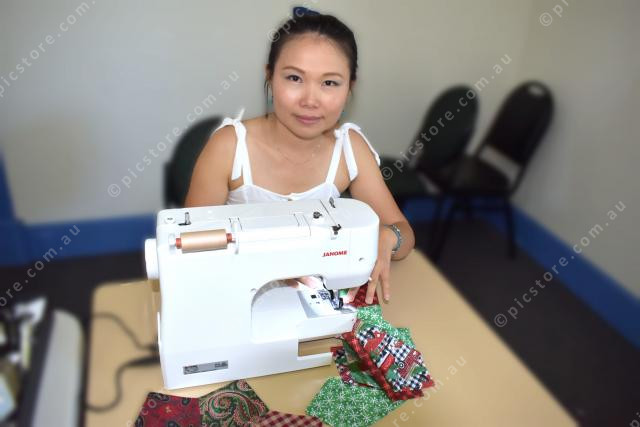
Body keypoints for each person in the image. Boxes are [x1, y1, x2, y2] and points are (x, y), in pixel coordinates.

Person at [185, 11, 414, 304]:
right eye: (294, 78)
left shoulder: (349, 148)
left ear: (350, 88)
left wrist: (388, 238)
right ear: (270, 76)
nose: (310, 100)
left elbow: (404, 233)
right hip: (235, 296)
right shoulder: (229, 147)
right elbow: (189, 246)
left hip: (309, 300)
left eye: (329, 83)